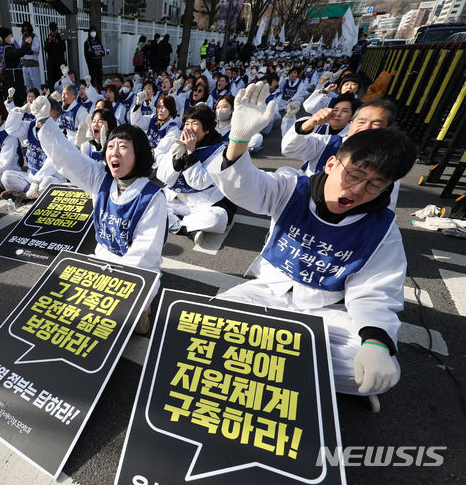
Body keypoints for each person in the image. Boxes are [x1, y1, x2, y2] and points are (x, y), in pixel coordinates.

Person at [207, 81, 417, 402]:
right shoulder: (293, 188)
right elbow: (245, 187)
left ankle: (255, 361)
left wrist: (374, 344)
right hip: (267, 291)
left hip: (326, 310)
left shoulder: (380, 227)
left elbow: (374, 293)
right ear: (332, 164)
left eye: (375, 184)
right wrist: (237, 141)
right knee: (207, 324)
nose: (359, 190)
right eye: (355, 175)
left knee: (381, 371)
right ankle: (294, 371)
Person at [33, 95, 168, 334]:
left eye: (123, 147)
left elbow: (144, 254)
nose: (114, 152)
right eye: (112, 146)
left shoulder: (151, 197)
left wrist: (112, 287)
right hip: (101, 263)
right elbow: (70, 160)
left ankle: (142, 312)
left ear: (139, 155)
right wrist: (46, 123)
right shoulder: (100, 178)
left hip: (135, 272)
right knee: (62, 301)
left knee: (118, 313)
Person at [158, 104, 234, 246]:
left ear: (206, 130)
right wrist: (177, 156)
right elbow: (164, 178)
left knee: (219, 218)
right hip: (176, 200)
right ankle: (187, 229)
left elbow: (198, 183)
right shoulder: (178, 144)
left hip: (202, 204)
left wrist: (191, 153)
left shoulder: (219, 151)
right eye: (186, 123)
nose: (188, 128)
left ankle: (175, 223)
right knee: (150, 202)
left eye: (194, 124)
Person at [282, 98, 393, 177]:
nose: (366, 127)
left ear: (387, 130)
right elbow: (289, 149)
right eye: (361, 121)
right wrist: (307, 125)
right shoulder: (327, 142)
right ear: (352, 123)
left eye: (376, 124)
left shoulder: (386, 160)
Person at [1, 97, 66, 202]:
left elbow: (52, 163)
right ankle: (31, 193)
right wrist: (21, 110)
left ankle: (25, 196)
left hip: (48, 177)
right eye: (41, 113)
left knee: (48, 183)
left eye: (47, 116)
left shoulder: (57, 135)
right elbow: (11, 129)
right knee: (6, 176)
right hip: (30, 176)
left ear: (55, 120)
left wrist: (36, 181)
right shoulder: (29, 127)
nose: (42, 118)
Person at [131, 94, 180, 162]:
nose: (160, 110)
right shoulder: (153, 119)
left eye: (164, 107)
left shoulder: (173, 129)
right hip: (145, 157)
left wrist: (143, 155)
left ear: (170, 109)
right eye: (158, 107)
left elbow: (161, 150)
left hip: (156, 163)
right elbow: (136, 123)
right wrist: (138, 105)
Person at [0, 27, 32, 106]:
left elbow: (19, 52)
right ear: (6, 38)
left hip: (13, 77)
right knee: (16, 99)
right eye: (10, 36)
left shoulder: (9, 48)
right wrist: (27, 43)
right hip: (12, 79)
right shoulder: (8, 49)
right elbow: (19, 53)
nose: (12, 38)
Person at [20, 22, 41, 91]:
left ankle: (38, 99)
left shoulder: (34, 37)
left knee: (36, 83)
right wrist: (23, 45)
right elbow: (19, 49)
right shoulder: (22, 37)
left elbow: (37, 49)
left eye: (27, 30)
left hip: (33, 64)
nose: (26, 32)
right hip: (25, 64)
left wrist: (28, 45)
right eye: (24, 30)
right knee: (27, 83)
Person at [44, 22, 66, 89]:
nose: (53, 32)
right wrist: (49, 41)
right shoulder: (48, 38)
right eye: (51, 31)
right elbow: (45, 49)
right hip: (51, 64)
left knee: (61, 80)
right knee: (51, 80)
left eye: (54, 30)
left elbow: (64, 48)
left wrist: (58, 42)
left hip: (59, 63)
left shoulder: (60, 38)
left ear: (57, 30)